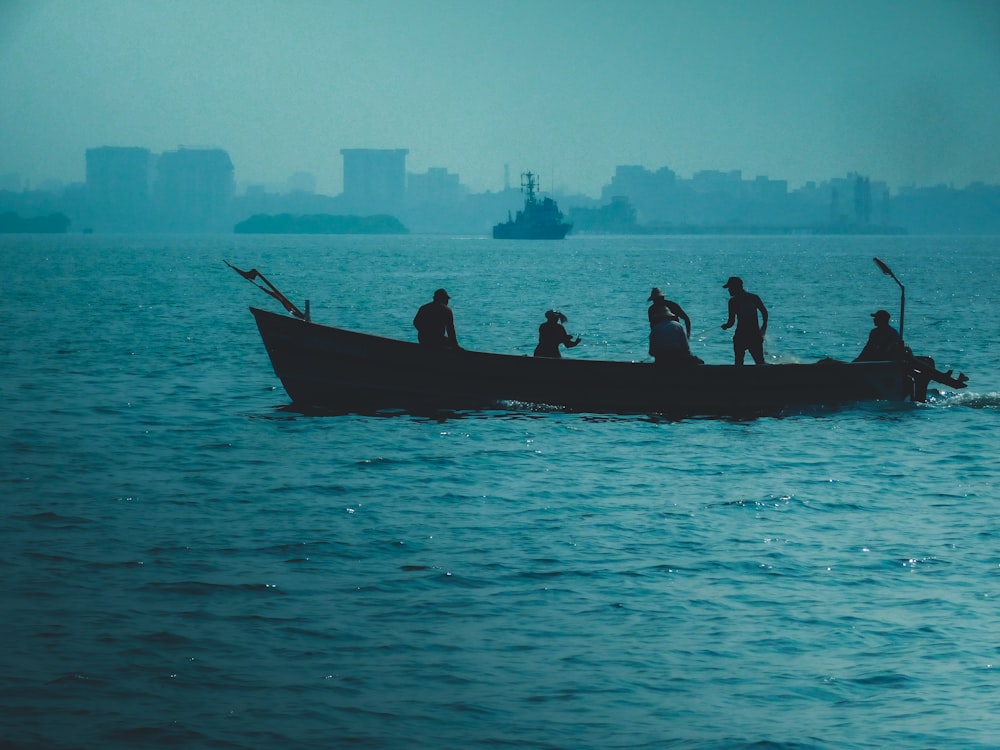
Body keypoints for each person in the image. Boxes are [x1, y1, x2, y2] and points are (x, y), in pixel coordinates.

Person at [720, 276, 768, 365]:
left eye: (730, 288)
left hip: (741, 335)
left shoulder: (733, 302)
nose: (729, 290)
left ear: (736, 287)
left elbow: (731, 322)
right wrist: (764, 326)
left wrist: (725, 326)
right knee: (760, 362)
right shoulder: (754, 297)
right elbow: (764, 312)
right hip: (755, 335)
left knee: (738, 362)